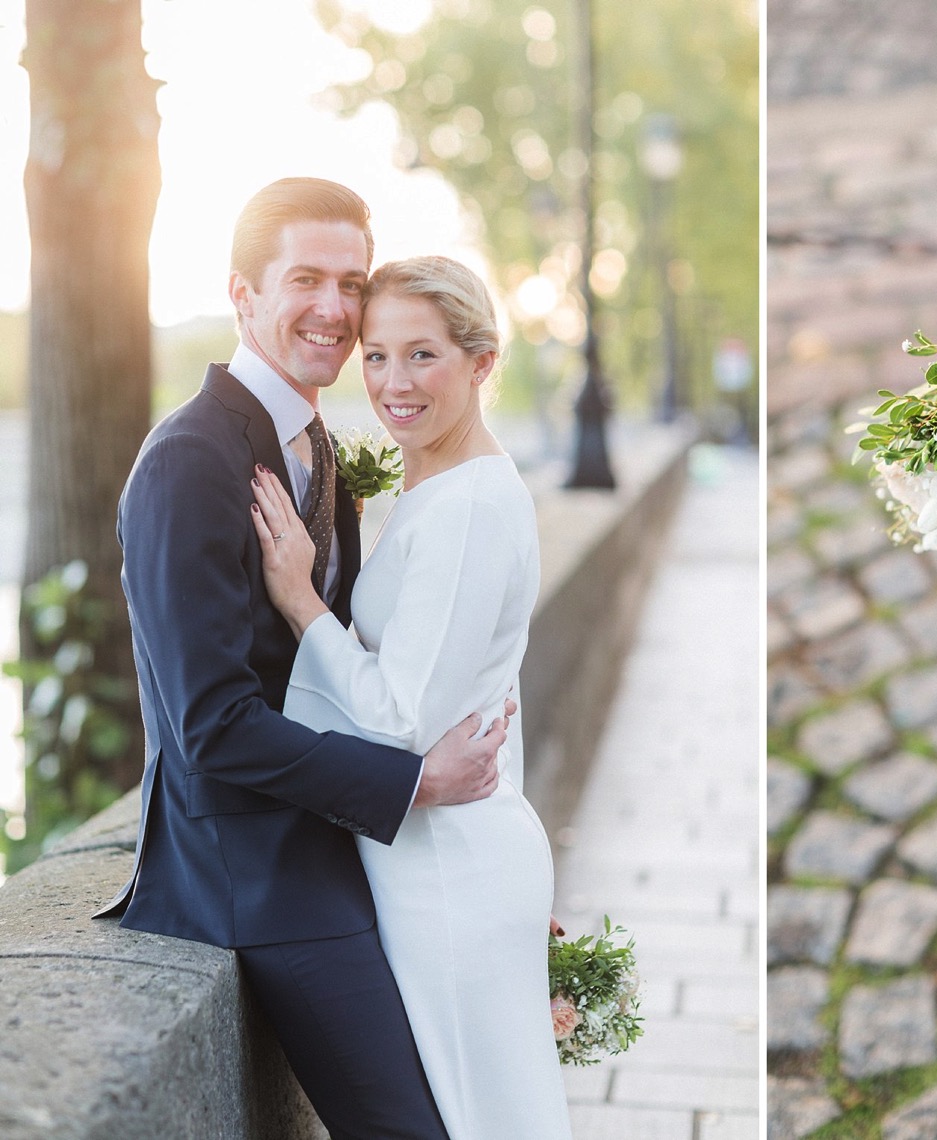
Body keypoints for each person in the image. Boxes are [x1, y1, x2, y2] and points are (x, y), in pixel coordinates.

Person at [100, 177, 510, 1139]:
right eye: (306, 280)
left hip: (332, 838)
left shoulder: (314, 442)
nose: (334, 308)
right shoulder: (186, 461)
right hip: (250, 868)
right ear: (243, 294)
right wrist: (414, 783)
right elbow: (209, 730)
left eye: (351, 282)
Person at [250, 255, 574, 1138]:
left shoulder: (467, 506)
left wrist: (301, 603)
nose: (394, 383)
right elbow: (486, 684)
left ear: (481, 362)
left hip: (447, 872)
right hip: (448, 853)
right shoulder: (436, 483)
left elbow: (400, 718)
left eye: (423, 355)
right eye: (378, 355)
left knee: (481, 1119)